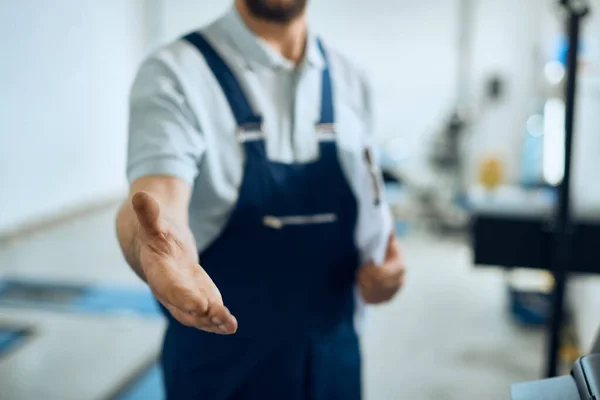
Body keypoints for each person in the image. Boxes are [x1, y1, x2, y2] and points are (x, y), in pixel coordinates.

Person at [116, 0, 405, 398]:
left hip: (336, 369)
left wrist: (385, 277)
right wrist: (155, 250)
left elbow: (373, 226)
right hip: (220, 374)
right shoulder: (175, 73)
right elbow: (157, 198)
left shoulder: (352, 80)